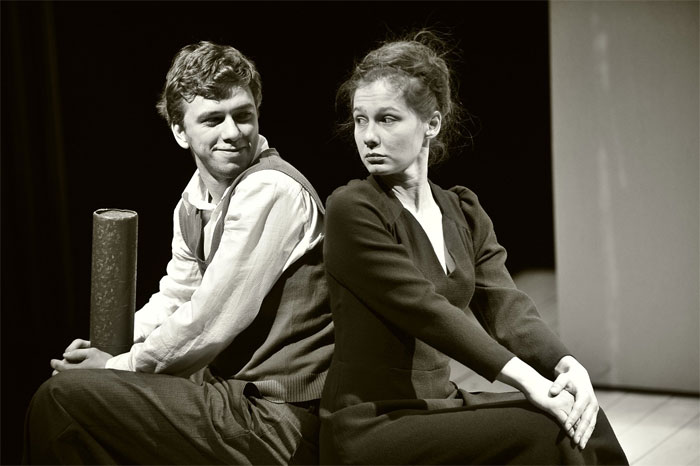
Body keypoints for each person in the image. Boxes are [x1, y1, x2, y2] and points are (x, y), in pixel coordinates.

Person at [318, 32, 629, 465]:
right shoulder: (352, 209)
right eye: (360, 120)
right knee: (545, 431)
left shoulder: (461, 210)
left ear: (431, 124)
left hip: (440, 403)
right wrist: (529, 381)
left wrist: (566, 365)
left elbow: (506, 306)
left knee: (586, 418)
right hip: (372, 422)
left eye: (387, 119)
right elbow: (425, 309)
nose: (368, 136)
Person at [24, 41, 333, 465]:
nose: (233, 132)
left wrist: (114, 368)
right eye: (213, 119)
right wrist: (107, 345)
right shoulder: (194, 201)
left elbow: (209, 320)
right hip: (229, 400)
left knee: (63, 399)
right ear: (179, 131)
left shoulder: (272, 189)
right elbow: (176, 296)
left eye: (243, 115)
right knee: (72, 399)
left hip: (279, 417)